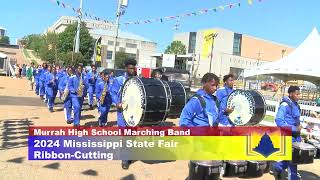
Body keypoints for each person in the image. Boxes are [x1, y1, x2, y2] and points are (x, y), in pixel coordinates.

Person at [110, 58, 137, 169]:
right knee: (126, 136)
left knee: (132, 136)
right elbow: (112, 92)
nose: (132, 70)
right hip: (123, 113)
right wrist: (117, 103)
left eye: (133, 68)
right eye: (130, 68)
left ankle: (128, 155)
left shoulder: (137, 80)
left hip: (134, 114)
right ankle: (125, 160)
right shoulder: (119, 80)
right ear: (126, 68)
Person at [271, 86, 302, 180]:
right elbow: (279, 120)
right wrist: (294, 129)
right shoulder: (284, 105)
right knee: (293, 161)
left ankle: (277, 168)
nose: (299, 96)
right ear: (291, 94)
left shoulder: (296, 105)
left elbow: (296, 120)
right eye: (297, 94)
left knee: (292, 158)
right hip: (287, 136)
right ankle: (293, 177)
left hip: (295, 136)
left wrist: (298, 131)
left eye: (299, 94)